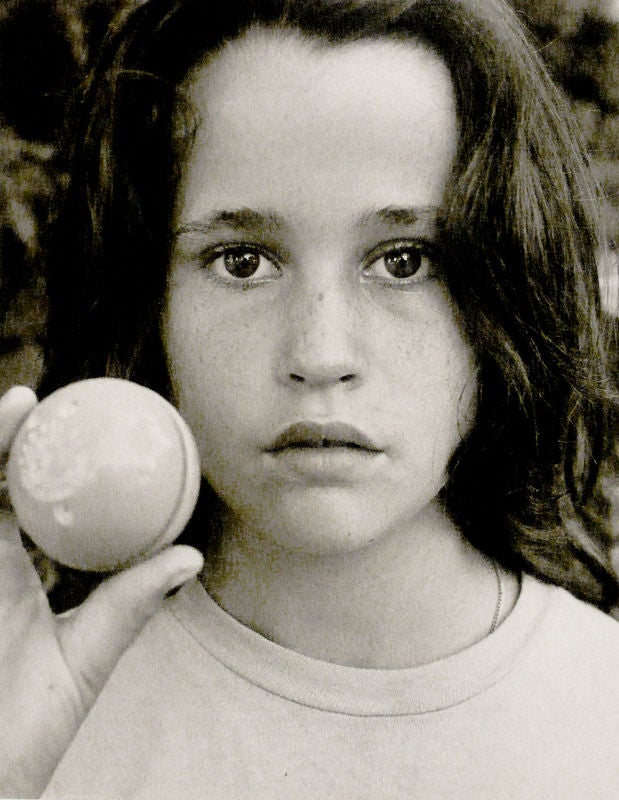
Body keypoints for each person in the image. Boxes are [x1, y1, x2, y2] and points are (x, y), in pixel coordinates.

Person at [1, 0, 619, 796]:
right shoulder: (38, 720)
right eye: (242, 261)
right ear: (147, 299)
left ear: (512, 283)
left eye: (403, 261)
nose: (319, 356)